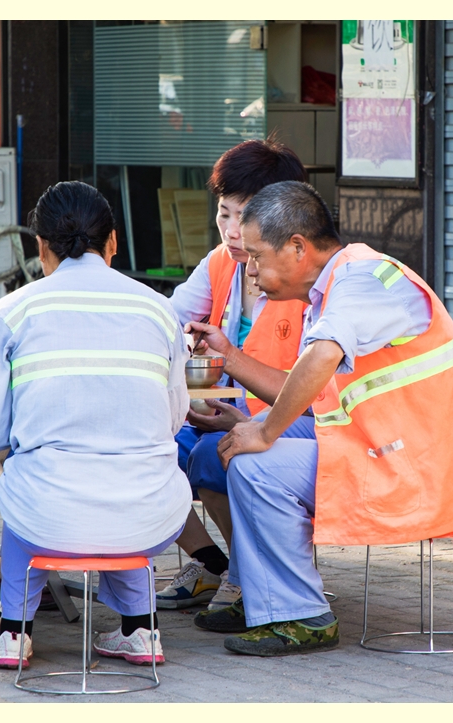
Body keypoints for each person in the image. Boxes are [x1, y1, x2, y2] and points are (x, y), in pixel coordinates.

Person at [185, 180, 453, 655]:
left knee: (255, 463)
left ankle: (303, 615)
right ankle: (260, 595)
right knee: (237, 443)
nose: (251, 269)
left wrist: (263, 430)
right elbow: (311, 395)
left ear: (298, 247)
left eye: (258, 256)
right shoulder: (336, 285)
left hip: (420, 467)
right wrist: (233, 366)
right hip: (387, 444)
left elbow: (322, 356)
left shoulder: (365, 279)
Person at [0, 181, 192, 669]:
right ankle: (141, 631)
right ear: (112, 244)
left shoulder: (14, 310)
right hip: (149, 514)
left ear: (40, 247)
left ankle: (13, 632)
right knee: (124, 469)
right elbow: (171, 420)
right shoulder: (159, 309)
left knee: (26, 474)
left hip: (47, 515)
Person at [156, 139, 309, 612]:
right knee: (144, 450)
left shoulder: (306, 279)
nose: (232, 231)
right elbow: (168, 317)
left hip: (295, 416)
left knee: (208, 453)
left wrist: (238, 415)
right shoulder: (222, 262)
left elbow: (311, 391)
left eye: (245, 217)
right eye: (224, 213)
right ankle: (215, 564)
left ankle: (252, 573)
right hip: (228, 409)